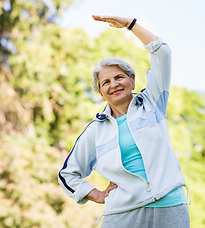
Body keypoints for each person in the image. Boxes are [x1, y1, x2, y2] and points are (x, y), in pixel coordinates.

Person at [58, 15, 190, 228]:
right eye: (105, 82)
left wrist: (130, 25)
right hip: (122, 215)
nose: (114, 84)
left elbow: (162, 52)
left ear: (132, 80)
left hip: (170, 208)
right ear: (101, 92)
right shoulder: (95, 131)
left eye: (119, 77)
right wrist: (97, 195)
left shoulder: (152, 103)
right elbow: (67, 174)